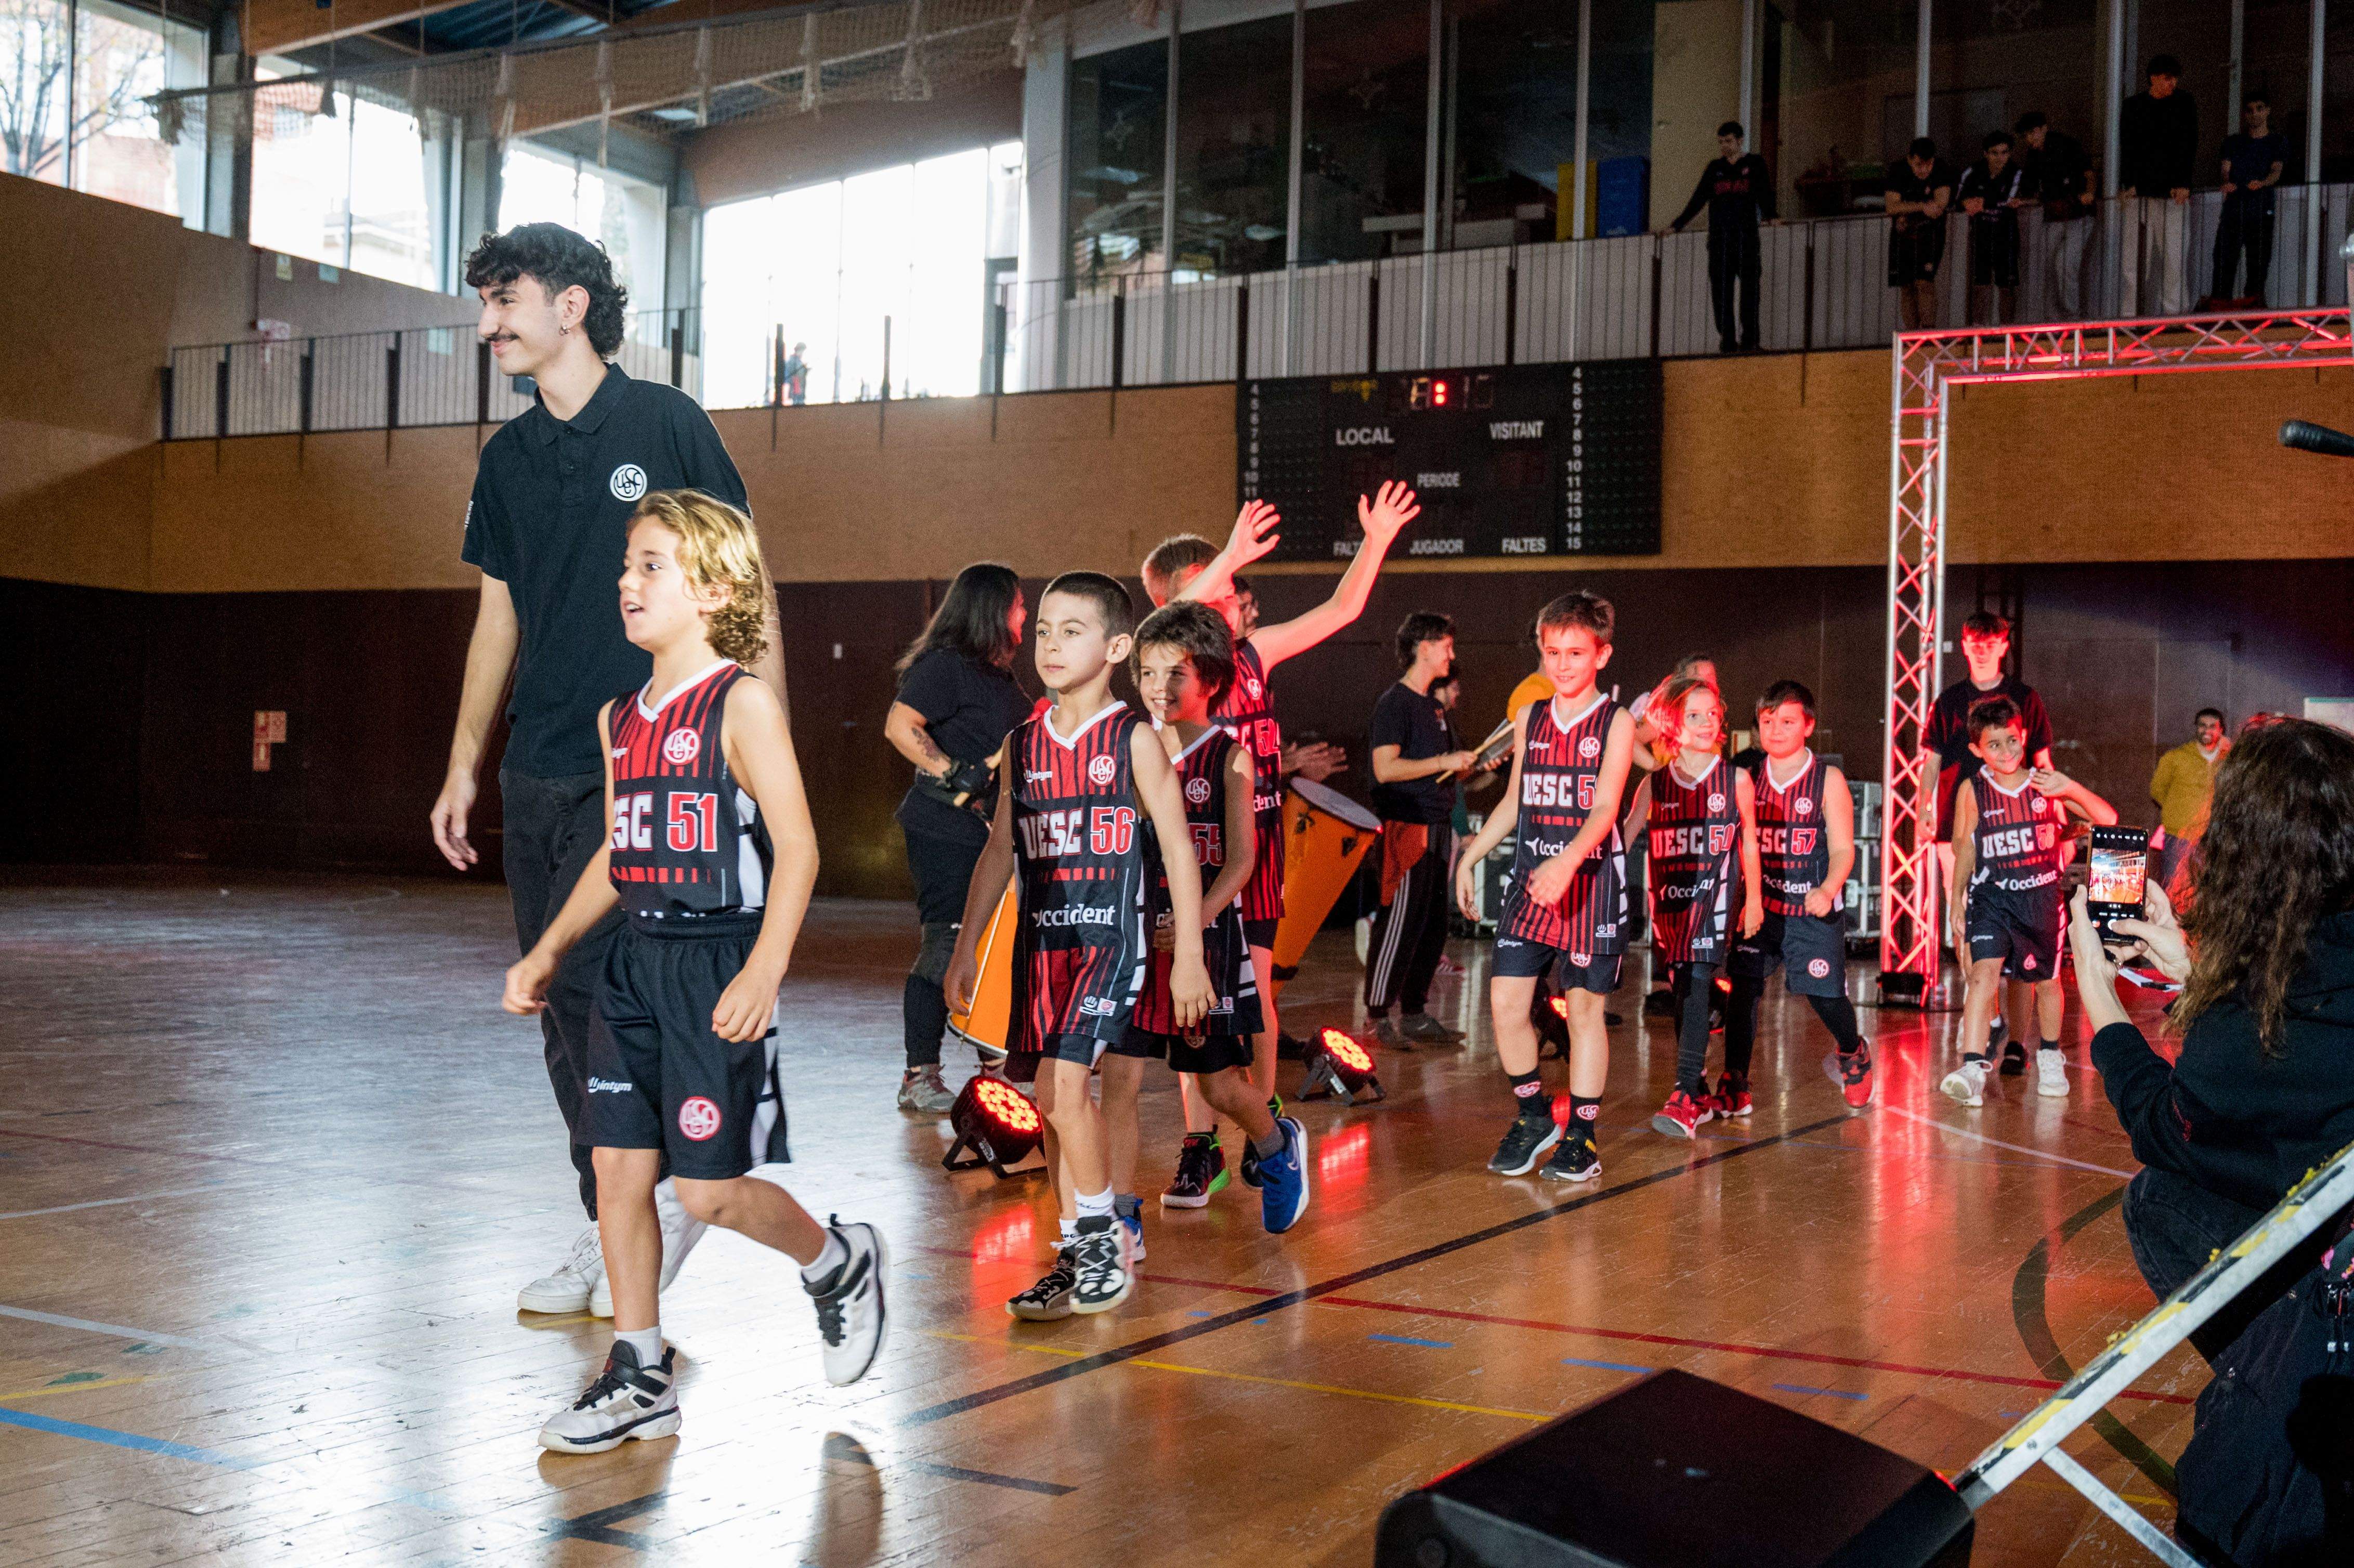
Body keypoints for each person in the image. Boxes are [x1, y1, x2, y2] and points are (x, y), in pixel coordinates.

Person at [431, 223, 777, 1320]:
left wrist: (760, 733)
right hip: (539, 764)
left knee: (599, 989)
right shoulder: (506, 460)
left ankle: (648, 1205)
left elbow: (745, 577)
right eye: (484, 304)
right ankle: (618, 1217)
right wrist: (464, 763)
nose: (487, 325)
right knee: (555, 1001)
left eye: (505, 300)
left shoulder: (666, 422)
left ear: (571, 304)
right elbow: (498, 617)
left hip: (654, 761)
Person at [501, 490, 885, 1451]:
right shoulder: (619, 717)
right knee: (617, 1170)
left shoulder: (741, 703)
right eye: (626, 565)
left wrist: (764, 971)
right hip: (632, 961)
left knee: (708, 1192)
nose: (626, 582)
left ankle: (835, 1259)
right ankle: (639, 1372)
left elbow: (799, 848)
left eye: (651, 565)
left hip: (716, 962)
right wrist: (550, 947)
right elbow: (618, 850)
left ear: (714, 590)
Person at [2068, 717, 2354, 1561]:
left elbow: (2170, 1125)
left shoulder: (2241, 1036)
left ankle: (2269, 1370)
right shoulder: (2308, 979)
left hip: (2332, 1272)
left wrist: (2100, 1000)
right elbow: (2298, 1025)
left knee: (2158, 1198)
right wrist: (2190, 962)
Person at [1140, 484, 1420, 1206]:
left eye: (1230, 582)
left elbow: (1341, 609)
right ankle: (1200, 1144)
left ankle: (1266, 1128)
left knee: (1259, 995)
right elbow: (1166, 619)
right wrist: (1228, 555)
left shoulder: (1254, 655)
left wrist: (1376, 542)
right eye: (1219, 584)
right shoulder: (1168, 675)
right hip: (1190, 853)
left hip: (1255, 848)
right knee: (1192, 1003)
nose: (1231, 592)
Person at [945, 573, 1211, 1317]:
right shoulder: (1022, 743)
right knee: (1049, 1099)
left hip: (1110, 941)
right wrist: (967, 946)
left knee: (1068, 1085)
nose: (1051, 645)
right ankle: (1075, 1250)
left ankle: (1103, 1241)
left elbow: (1180, 850)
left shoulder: (1133, 739)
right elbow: (999, 849)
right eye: (1043, 630)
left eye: (1072, 631)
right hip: (1041, 945)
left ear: (1118, 648)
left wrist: (1189, 955)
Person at [1101, 602, 1307, 1260]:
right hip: (1138, 939)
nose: (1158, 686)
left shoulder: (1229, 757)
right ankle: (1121, 1216)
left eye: (1176, 673)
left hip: (1203, 940)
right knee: (1119, 1079)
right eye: (1148, 672)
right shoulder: (1131, 746)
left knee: (1217, 1085)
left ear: (1212, 679)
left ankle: (1274, 1145)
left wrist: (1194, 921)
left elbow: (1242, 860)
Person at [1454, 591, 1634, 1183]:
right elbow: (1515, 800)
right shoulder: (1531, 717)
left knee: (1583, 1010)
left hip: (1591, 883)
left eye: (1575, 653)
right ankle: (1534, 1117)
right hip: (1532, 881)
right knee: (1506, 1003)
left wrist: (1568, 861)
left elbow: (1605, 807)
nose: (1562, 664)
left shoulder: (1616, 721)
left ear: (1601, 655)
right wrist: (1470, 856)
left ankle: (1582, 1136)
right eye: (1553, 652)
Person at [882, 565, 1032, 1112]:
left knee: (994, 946)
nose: (1024, 613)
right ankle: (919, 1076)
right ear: (994, 609)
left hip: (989, 834)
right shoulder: (946, 666)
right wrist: (954, 773)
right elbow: (900, 726)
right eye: (1018, 604)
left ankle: (996, 1067)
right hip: (943, 830)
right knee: (946, 943)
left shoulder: (999, 676)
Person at [1939, 695, 2117, 1106]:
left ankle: (2050, 1056)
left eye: (2012, 741)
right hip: (1990, 898)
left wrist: (2070, 787)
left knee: (2047, 983)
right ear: (1977, 750)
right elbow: (1965, 847)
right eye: (1994, 744)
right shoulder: (1973, 790)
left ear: (2023, 738)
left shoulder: (2045, 784)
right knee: (1982, 976)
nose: (2005, 751)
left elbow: (2108, 819)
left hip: (2039, 898)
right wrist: (1956, 901)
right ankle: (1972, 1068)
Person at [1727, 681, 1875, 1111]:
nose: (1775, 731)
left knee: (1825, 997)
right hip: (1764, 904)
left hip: (1812, 908)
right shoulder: (1747, 776)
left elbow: (1844, 849)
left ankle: (1852, 1050)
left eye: (1787, 722)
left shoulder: (1827, 779)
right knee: (1744, 986)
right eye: (1767, 721)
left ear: (1808, 726)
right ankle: (1735, 1079)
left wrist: (1828, 888)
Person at [1624, 677, 1763, 1136]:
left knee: (1700, 977)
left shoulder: (1735, 779)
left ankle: (1684, 1092)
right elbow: (1623, 836)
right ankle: (1699, 1088)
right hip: (1670, 901)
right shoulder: (1655, 783)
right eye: (1694, 715)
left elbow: (1749, 841)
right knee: (1684, 987)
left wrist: (1754, 900)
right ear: (1671, 724)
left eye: (1713, 714)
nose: (1707, 723)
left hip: (1714, 896)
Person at [1365, 612, 1485, 1047]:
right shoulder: (1395, 704)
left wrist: (1469, 766)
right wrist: (1443, 762)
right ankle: (1378, 1015)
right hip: (1407, 826)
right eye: (1447, 646)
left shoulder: (1434, 708)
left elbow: (1442, 772)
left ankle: (1414, 1012)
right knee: (1399, 921)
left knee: (1432, 926)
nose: (1452, 655)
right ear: (1425, 647)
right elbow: (1385, 768)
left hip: (1437, 827)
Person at [1920, 610, 2053, 969]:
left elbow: (2043, 761)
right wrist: (1924, 810)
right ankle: (1976, 995)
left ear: (2003, 647)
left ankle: (2017, 981)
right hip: (1956, 819)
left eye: (1990, 645)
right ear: (1964, 647)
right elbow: (1931, 762)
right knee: (1961, 909)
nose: (1982, 652)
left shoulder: (2025, 697)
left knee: (2022, 910)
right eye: (1976, 645)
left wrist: (2058, 818)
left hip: (2018, 823)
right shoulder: (1948, 701)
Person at [1665, 121, 1776, 355]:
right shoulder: (1715, 168)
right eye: (1721, 142)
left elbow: (1764, 193)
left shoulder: (1754, 164)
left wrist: (1772, 216)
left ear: (1740, 140)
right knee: (1721, 294)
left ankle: (1750, 342)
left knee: (1750, 292)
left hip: (1746, 239)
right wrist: (1677, 225)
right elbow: (1698, 199)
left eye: (1728, 141)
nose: (1724, 146)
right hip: (1720, 241)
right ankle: (1728, 342)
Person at [2120, 55, 2198, 317]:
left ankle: (2175, 317)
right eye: (2168, 78)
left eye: (2174, 78)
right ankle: (2130, 316)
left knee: (2174, 259)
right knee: (2133, 261)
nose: (2172, 83)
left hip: (2171, 194)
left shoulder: (2183, 102)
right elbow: (2128, 147)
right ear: (2154, 78)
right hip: (2141, 193)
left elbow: (2188, 145)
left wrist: (2183, 183)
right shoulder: (2134, 107)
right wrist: (2129, 183)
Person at [2212, 96, 2289, 307]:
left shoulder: (2277, 142)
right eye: (2250, 110)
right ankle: (2220, 309)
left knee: (2258, 266)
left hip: (2261, 209)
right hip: (2235, 210)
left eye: (2259, 108)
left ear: (2268, 111)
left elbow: (2277, 171)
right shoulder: (2233, 142)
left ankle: (2252, 312)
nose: (2255, 114)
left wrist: (2263, 183)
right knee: (2224, 262)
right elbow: (2225, 170)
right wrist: (2226, 183)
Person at [2017, 111, 2095, 319]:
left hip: (2077, 215)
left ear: (2044, 129)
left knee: (2065, 265)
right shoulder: (2034, 156)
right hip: (2055, 216)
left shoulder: (2067, 146)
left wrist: (2089, 193)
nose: (2030, 139)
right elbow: (2031, 189)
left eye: (2033, 133)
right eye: (2027, 135)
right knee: (2052, 267)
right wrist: (2023, 200)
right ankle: (2056, 317)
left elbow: (2088, 173)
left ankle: (2070, 316)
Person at [2150, 707, 2230, 893]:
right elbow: (2157, 791)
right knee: (2173, 892)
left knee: (2209, 893)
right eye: (2202, 725)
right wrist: (2177, 811)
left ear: (2221, 730)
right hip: (2178, 839)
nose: (2207, 730)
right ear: (2196, 728)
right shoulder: (2176, 758)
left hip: (2212, 841)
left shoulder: (2228, 761)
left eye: (2213, 726)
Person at [1959, 129, 2032, 326]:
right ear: (1986, 153)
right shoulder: (1974, 171)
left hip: (2006, 235)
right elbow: (1959, 197)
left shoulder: (2016, 172)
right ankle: (1977, 329)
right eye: (1995, 153)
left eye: (2004, 153)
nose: (2000, 158)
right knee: (1979, 284)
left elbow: (2009, 198)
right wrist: (1967, 202)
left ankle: (2006, 331)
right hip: (1980, 234)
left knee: (2006, 285)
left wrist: (1981, 201)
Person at [1887, 137, 1955, 330]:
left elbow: (1939, 205)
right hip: (1903, 235)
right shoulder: (1898, 171)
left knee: (1925, 282)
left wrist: (1907, 209)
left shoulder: (1941, 170)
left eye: (1928, 165)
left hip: (1930, 235)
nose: (1924, 170)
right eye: (1919, 165)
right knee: (1907, 285)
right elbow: (1891, 206)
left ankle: (1927, 331)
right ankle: (1911, 335)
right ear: (1910, 160)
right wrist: (1922, 206)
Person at [781, 342, 809, 406]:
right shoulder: (792, 361)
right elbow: (792, 375)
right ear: (798, 351)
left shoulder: (798, 361)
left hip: (799, 390)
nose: (802, 354)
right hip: (795, 390)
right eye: (802, 351)